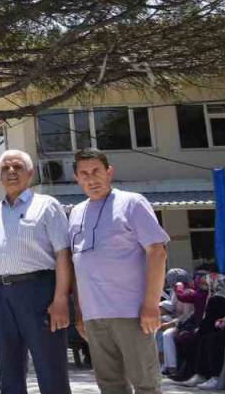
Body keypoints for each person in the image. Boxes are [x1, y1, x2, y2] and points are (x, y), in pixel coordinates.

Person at [66, 148, 170, 393]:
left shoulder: (131, 203)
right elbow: (77, 266)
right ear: (77, 178)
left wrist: (151, 305)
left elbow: (157, 252)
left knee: (145, 384)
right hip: (94, 318)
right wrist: (80, 313)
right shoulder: (76, 213)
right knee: (110, 386)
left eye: (96, 171)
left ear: (109, 172)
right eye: (84, 174)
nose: (92, 179)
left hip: (132, 313)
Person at [0, 149, 73, 394]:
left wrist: (60, 299)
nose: (11, 172)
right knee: (8, 371)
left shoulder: (47, 205)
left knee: (50, 369)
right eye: (5, 168)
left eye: (17, 167)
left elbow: (63, 254)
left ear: (30, 173)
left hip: (39, 293)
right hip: (0, 296)